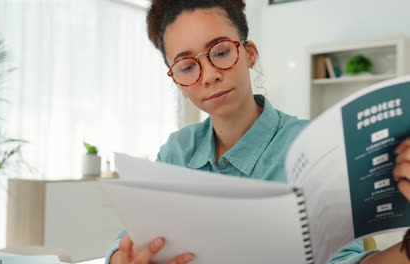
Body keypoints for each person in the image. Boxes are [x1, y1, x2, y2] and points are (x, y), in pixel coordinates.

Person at [105, 0, 410, 263]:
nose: (209, 75)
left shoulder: (311, 147)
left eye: (221, 52)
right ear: (176, 80)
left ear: (249, 53)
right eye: (186, 67)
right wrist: (124, 258)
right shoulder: (177, 150)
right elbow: (129, 240)